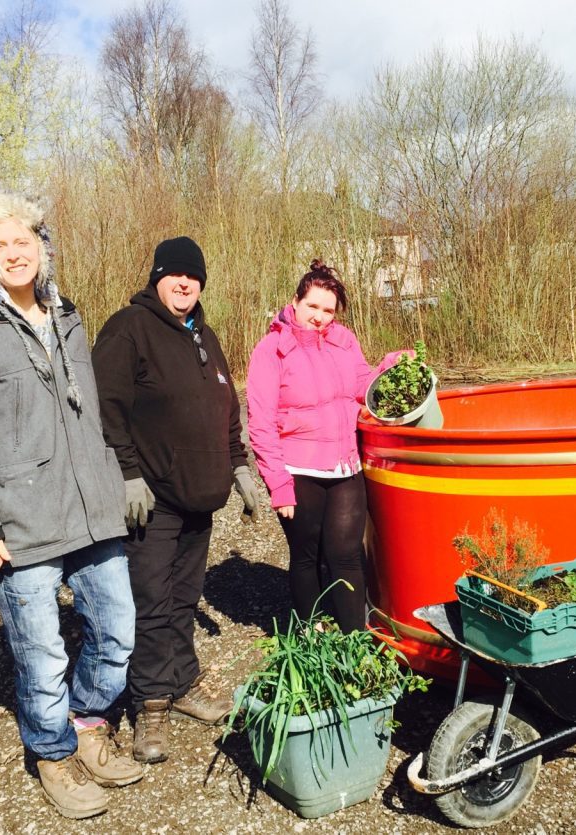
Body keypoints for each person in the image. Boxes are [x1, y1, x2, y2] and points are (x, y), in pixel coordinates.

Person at [0, 194, 141, 819]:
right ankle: (52, 754)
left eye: (24, 240)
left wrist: (115, 479)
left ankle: (89, 726)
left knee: (117, 633)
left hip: (91, 509)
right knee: (42, 656)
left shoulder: (66, 314)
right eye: (1, 245)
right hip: (21, 521)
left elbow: (89, 414)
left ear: (42, 246)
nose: (15, 253)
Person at [92, 236, 262, 764]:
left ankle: (183, 683)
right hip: (152, 499)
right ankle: (151, 703)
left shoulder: (205, 336)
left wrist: (239, 466)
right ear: (157, 278)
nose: (185, 283)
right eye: (174, 275)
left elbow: (224, 409)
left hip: (199, 499)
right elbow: (105, 409)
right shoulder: (129, 329)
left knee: (186, 595)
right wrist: (126, 475)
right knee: (151, 601)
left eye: (193, 276)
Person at [246, 260, 404, 633]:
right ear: (295, 302)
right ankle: (310, 637)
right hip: (298, 471)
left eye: (328, 310)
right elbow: (260, 423)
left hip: (344, 465)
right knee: (305, 558)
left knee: (346, 556)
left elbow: (361, 386)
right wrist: (278, 484)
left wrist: (389, 368)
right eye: (313, 306)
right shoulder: (271, 350)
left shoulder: (344, 341)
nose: (319, 317)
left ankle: (355, 641)